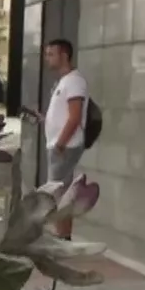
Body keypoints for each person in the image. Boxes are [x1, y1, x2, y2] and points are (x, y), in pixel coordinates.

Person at [42, 38, 87, 238]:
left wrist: (60, 143)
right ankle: (62, 236)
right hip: (58, 145)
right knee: (61, 193)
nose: (47, 58)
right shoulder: (64, 81)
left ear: (64, 55)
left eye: (51, 54)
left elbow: (75, 116)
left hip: (65, 146)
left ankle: (62, 238)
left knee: (58, 194)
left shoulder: (74, 81)